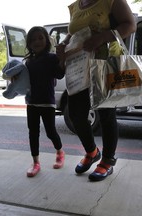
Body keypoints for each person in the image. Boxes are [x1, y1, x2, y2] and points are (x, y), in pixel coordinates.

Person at [56, 0, 136, 181]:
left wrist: (102, 38)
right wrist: (64, 44)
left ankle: (108, 160)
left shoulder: (111, 1)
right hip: (80, 67)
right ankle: (92, 152)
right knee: (76, 114)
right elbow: (73, 33)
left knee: (106, 114)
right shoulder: (75, 6)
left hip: (105, 64)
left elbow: (130, 26)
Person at [24, 26, 66, 177]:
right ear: (29, 43)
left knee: (50, 132)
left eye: (40, 38)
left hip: (47, 103)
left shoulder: (51, 58)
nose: (37, 41)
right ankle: (35, 162)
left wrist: (62, 61)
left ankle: (60, 152)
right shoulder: (28, 61)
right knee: (33, 133)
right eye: (33, 39)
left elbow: (60, 75)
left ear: (47, 40)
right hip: (31, 102)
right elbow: (23, 81)